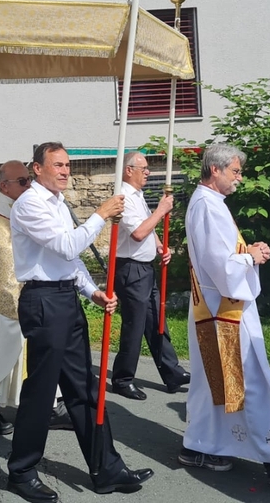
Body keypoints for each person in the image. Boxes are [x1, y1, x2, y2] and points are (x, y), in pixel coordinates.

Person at [5, 142, 153, 503]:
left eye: (68, 165)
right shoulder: (29, 203)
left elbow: (72, 262)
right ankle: (22, 472)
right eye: (57, 165)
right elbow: (68, 246)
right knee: (41, 392)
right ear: (37, 168)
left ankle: (107, 468)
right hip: (42, 301)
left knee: (84, 386)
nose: (65, 171)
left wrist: (92, 292)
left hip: (66, 299)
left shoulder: (58, 203)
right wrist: (100, 214)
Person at [180, 143, 270, 488]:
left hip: (217, 308)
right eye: (236, 171)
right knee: (249, 385)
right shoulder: (208, 206)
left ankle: (200, 447)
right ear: (215, 170)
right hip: (225, 310)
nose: (240, 178)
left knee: (216, 386)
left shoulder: (210, 202)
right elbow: (221, 266)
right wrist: (250, 257)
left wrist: (249, 250)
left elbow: (222, 255)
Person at [0, 159, 70, 435]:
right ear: (4, 186)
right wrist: (22, 296)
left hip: (34, 290)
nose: (29, 185)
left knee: (41, 352)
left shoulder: (26, 203)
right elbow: (4, 258)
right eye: (23, 181)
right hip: (8, 293)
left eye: (29, 180)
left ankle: (50, 408)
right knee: (0, 352)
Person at [111, 151, 189, 400]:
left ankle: (172, 372)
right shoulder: (122, 198)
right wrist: (162, 210)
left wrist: (159, 246)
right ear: (128, 170)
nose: (148, 172)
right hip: (130, 268)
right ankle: (123, 379)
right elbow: (137, 232)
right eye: (143, 168)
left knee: (157, 319)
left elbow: (148, 227)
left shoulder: (138, 195)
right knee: (135, 325)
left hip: (145, 267)